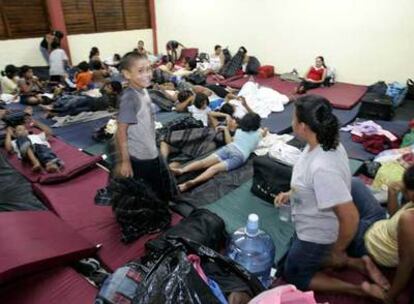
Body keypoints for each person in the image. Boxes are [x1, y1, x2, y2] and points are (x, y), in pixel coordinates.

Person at [274, 95, 389, 300]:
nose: (291, 123)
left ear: (302, 126)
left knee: (293, 274)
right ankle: (358, 263)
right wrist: (291, 193)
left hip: (317, 234)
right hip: (316, 225)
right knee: (298, 257)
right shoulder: (325, 142)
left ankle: (358, 288)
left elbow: (350, 217)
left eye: (293, 119)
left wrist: (338, 251)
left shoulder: (322, 167)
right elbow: (309, 181)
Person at [115, 52, 176, 200]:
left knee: (160, 188)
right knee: (146, 193)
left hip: (150, 150)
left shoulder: (143, 90)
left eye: (149, 69)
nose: (147, 74)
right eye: (141, 71)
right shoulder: (130, 98)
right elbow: (121, 132)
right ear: (127, 74)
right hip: (140, 157)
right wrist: (125, 161)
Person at [172, 112, 266, 192]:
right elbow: (264, 131)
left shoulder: (239, 131)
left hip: (229, 148)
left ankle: (182, 170)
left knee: (203, 162)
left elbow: (229, 142)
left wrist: (226, 130)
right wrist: (264, 130)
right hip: (239, 155)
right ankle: (193, 182)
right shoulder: (259, 134)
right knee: (213, 169)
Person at [363, 165, 414, 303]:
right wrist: (392, 192)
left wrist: (390, 297)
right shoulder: (408, 211)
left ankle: (359, 263)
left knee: (344, 212)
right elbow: (394, 218)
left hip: (373, 245)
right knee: (355, 186)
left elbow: (407, 262)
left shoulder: (409, 219)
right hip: (383, 225)